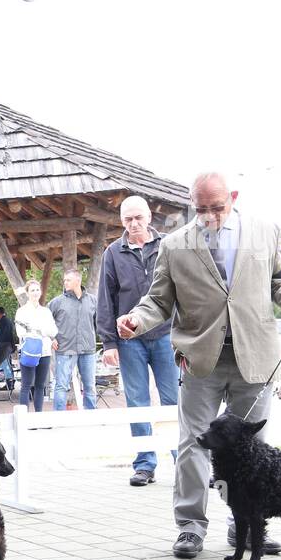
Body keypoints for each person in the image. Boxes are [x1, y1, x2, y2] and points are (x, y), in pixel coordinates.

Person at [117, 172, 281, 559]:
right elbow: (158, 299)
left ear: (233, 197)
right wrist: (136, 319)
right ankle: (190, 528)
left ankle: (244, 528)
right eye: (201, 209)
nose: (210, 216)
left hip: (256, 356)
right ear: (191, 204)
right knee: (193, 444)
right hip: (200, 360)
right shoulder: (176, 245)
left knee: (253, 449)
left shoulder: (266, 231)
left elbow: (280, 282)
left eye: (217, 207)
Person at [97, 195, 178, 486]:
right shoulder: (113, 253)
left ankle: (185, 462)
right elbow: (106, 299)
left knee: (173, 401)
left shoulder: (168, 245)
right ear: (122, 221)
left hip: (167, 334)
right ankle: (145, 464)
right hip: (129, 339)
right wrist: (108, 343)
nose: (134, 224)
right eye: (128, 219)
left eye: (138, 218)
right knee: (138, 402)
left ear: (149, 217)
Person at [48, 268, 98, 411]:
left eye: (68, 280)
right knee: (61, 386)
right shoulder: (56, 302)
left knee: (90, 386)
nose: (65, 282)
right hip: (64, 349)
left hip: (88, 349)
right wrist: (51, 338)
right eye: (64, 280)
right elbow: (44, 321)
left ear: (78, 280)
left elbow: (101, 323)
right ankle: (59, 419)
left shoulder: (93, 301)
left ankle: (91, 418)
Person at [14, 278, 57, 412]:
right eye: (32, 290)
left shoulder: (46, 311)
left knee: (40, 385)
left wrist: (36, 330)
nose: (35, 292)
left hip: (44, 351)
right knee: (26, 385)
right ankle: (24, 417)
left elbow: (53, 330)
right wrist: (41, 331)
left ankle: (38, 416)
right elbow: (20, 332)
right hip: (29, 351)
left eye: (37, 290)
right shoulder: (22, 311)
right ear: (27, 293)